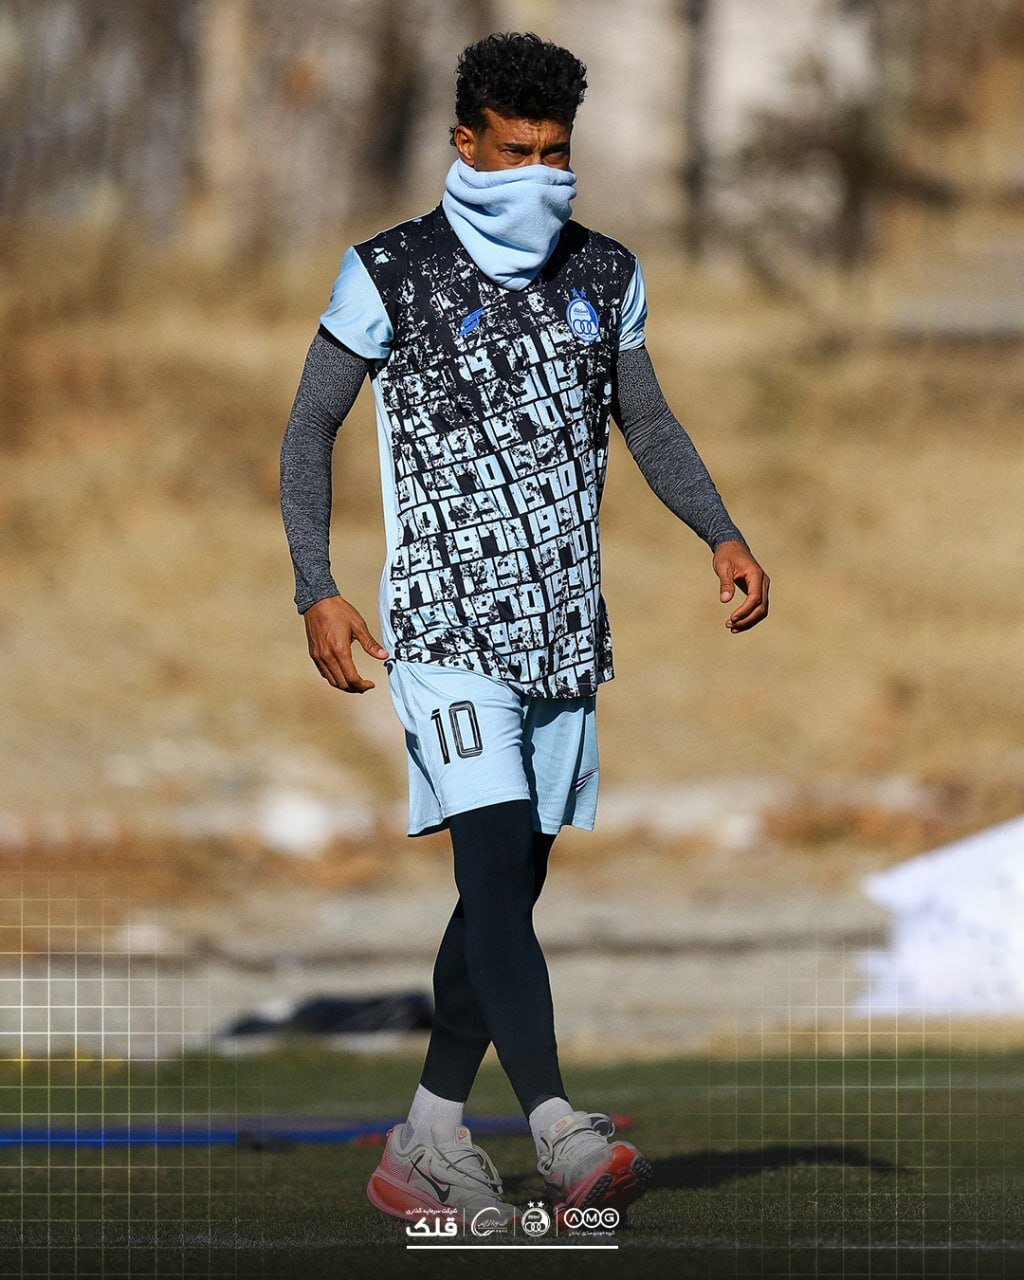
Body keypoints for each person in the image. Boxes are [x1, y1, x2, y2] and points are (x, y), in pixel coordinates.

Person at [279, 31, 770, 1229]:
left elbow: (647, 423)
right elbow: (308, 428)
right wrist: (316, 585)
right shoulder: (389, 270)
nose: (538, 174)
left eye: (556, 153)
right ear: (465, 143)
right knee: (492, 864)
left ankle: (426, 1137)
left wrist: (719, 530)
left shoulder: (606, 271)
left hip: (562, 632)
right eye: (515, 151)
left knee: (506, 889)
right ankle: (557, 1126)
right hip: (443, 629)